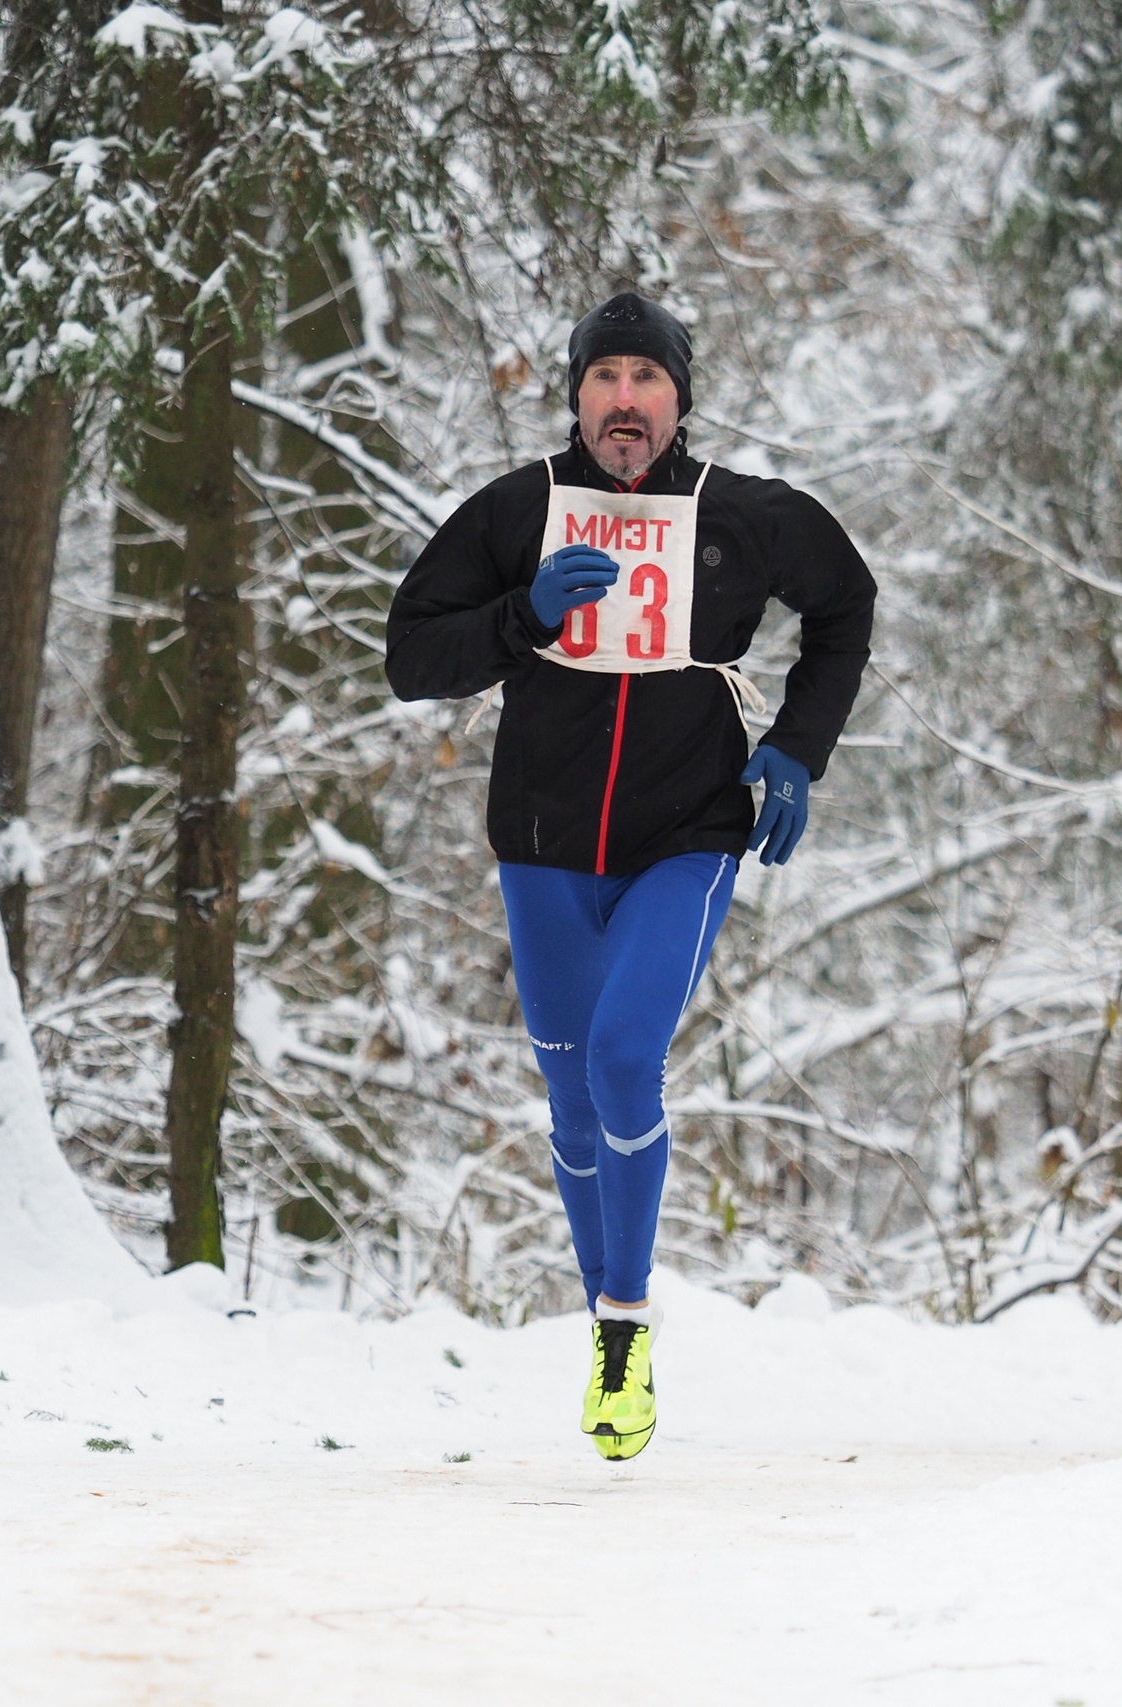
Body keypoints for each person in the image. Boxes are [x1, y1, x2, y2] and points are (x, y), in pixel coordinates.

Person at [385, 293, 875, 1460]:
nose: (623, 399)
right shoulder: (517, 512)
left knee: (620, 1060)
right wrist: (521, 616)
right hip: (542, 846)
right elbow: (411, 655)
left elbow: (846, 604)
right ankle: (604, 1306)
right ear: (575, 396)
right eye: (603, 377)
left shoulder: (740, 516)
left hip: (685, 836)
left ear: (678, 400)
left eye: (646, 379)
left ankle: (623, 1319)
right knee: (569, 1100)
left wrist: (797, 749)